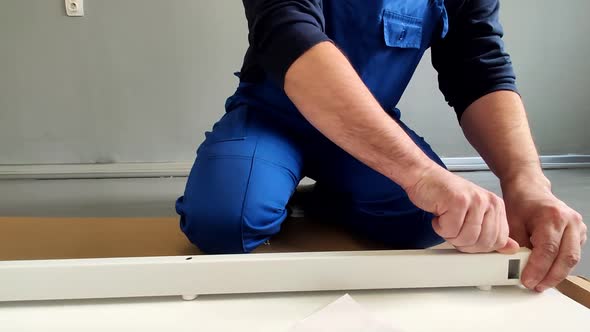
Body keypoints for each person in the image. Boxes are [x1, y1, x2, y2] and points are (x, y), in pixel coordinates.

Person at [175, 0, 586, 292]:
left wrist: (527, 181)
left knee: (428, 223)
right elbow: (287, 32)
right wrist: (421, 174)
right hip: (271, 115)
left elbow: (479, 66)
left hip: (370, 135)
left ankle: (319, 201)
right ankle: (275, 184)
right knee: (224, 222)